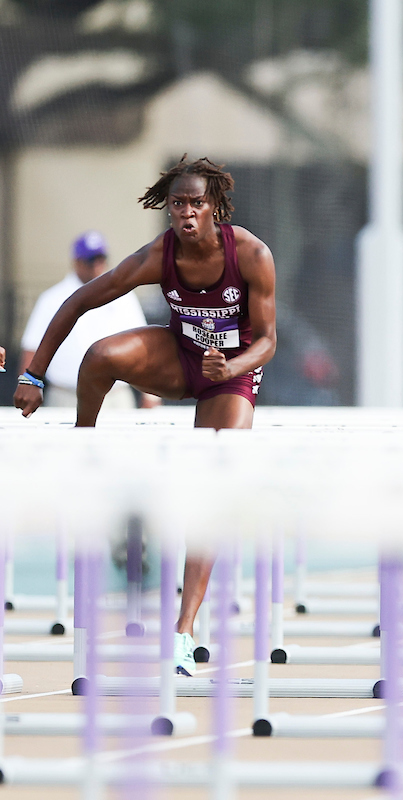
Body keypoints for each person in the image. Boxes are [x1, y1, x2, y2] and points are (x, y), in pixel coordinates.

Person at [14, 156, 278, 674]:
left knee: (209, 490)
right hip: (181, 359)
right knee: (102, 356)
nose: (186, 214)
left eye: (196, 204)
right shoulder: (160, 254)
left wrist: (232, 367)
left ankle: (182, 632)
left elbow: (269, 340)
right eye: (177, 204)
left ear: (215, 208)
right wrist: (33, 375)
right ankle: (83, 455)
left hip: (233, 374)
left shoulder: (251, 254)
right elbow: (78, 302)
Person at [21, 231, 160, 411]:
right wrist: (28, 385)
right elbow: (31, 348)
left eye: (101, 259)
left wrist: (150, 395)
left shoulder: (124, 297)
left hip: (115, 395)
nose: (97, 265)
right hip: (66, 394)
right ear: (76, 262)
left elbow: (143, 345)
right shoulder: (52, 299)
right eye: (90, 260)